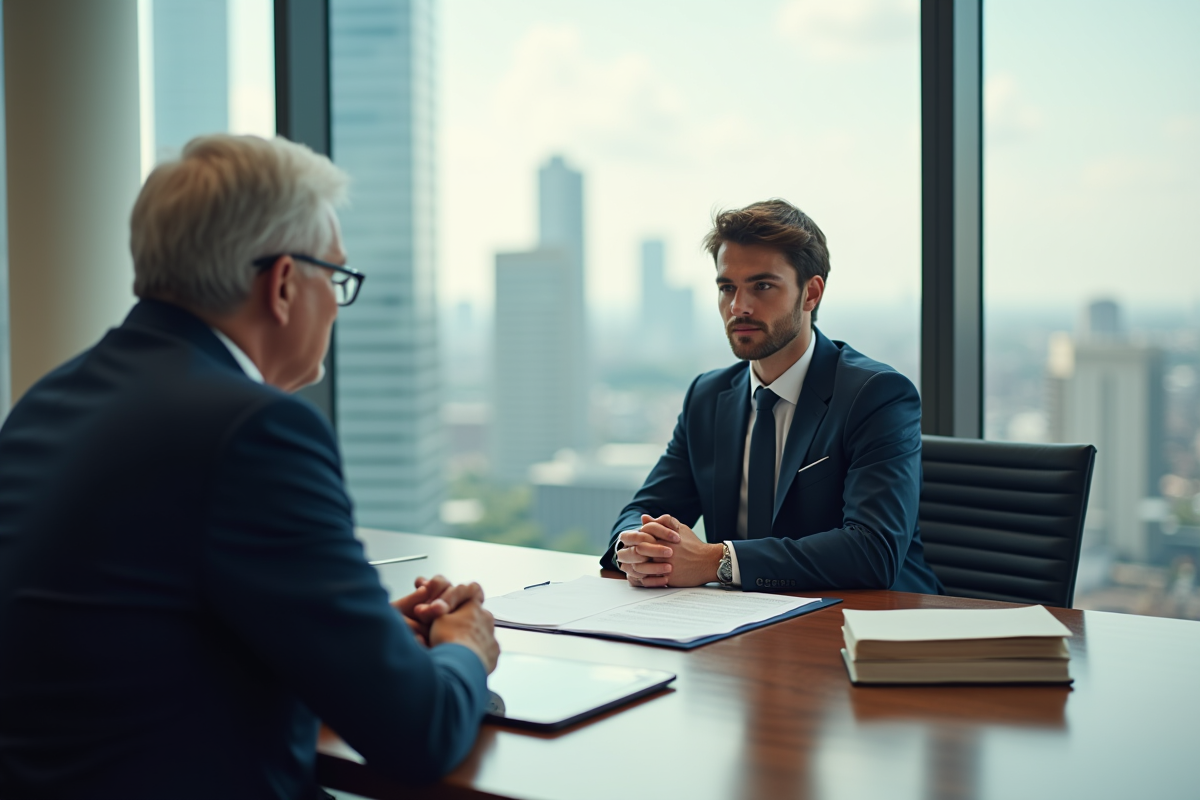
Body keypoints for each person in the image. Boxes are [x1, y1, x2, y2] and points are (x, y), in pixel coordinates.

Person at [0, 134, 499, 799]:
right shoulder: (255, 428)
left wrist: (355, 641)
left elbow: (140, 635)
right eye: (336, 277)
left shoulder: (48, 400)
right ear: (286, 284)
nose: (336, 307)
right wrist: (467, 647)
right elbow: (420, 734)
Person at [603, 199, 941, 594]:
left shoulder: (876, 395)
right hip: (740, 628)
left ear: (810, 293)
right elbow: (640, 513)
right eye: (727, 288)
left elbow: (872, 552)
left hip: (872, 628)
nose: (738, 307)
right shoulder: (708, 396)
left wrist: (716, 561)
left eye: (762, 286)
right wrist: (635, 547)